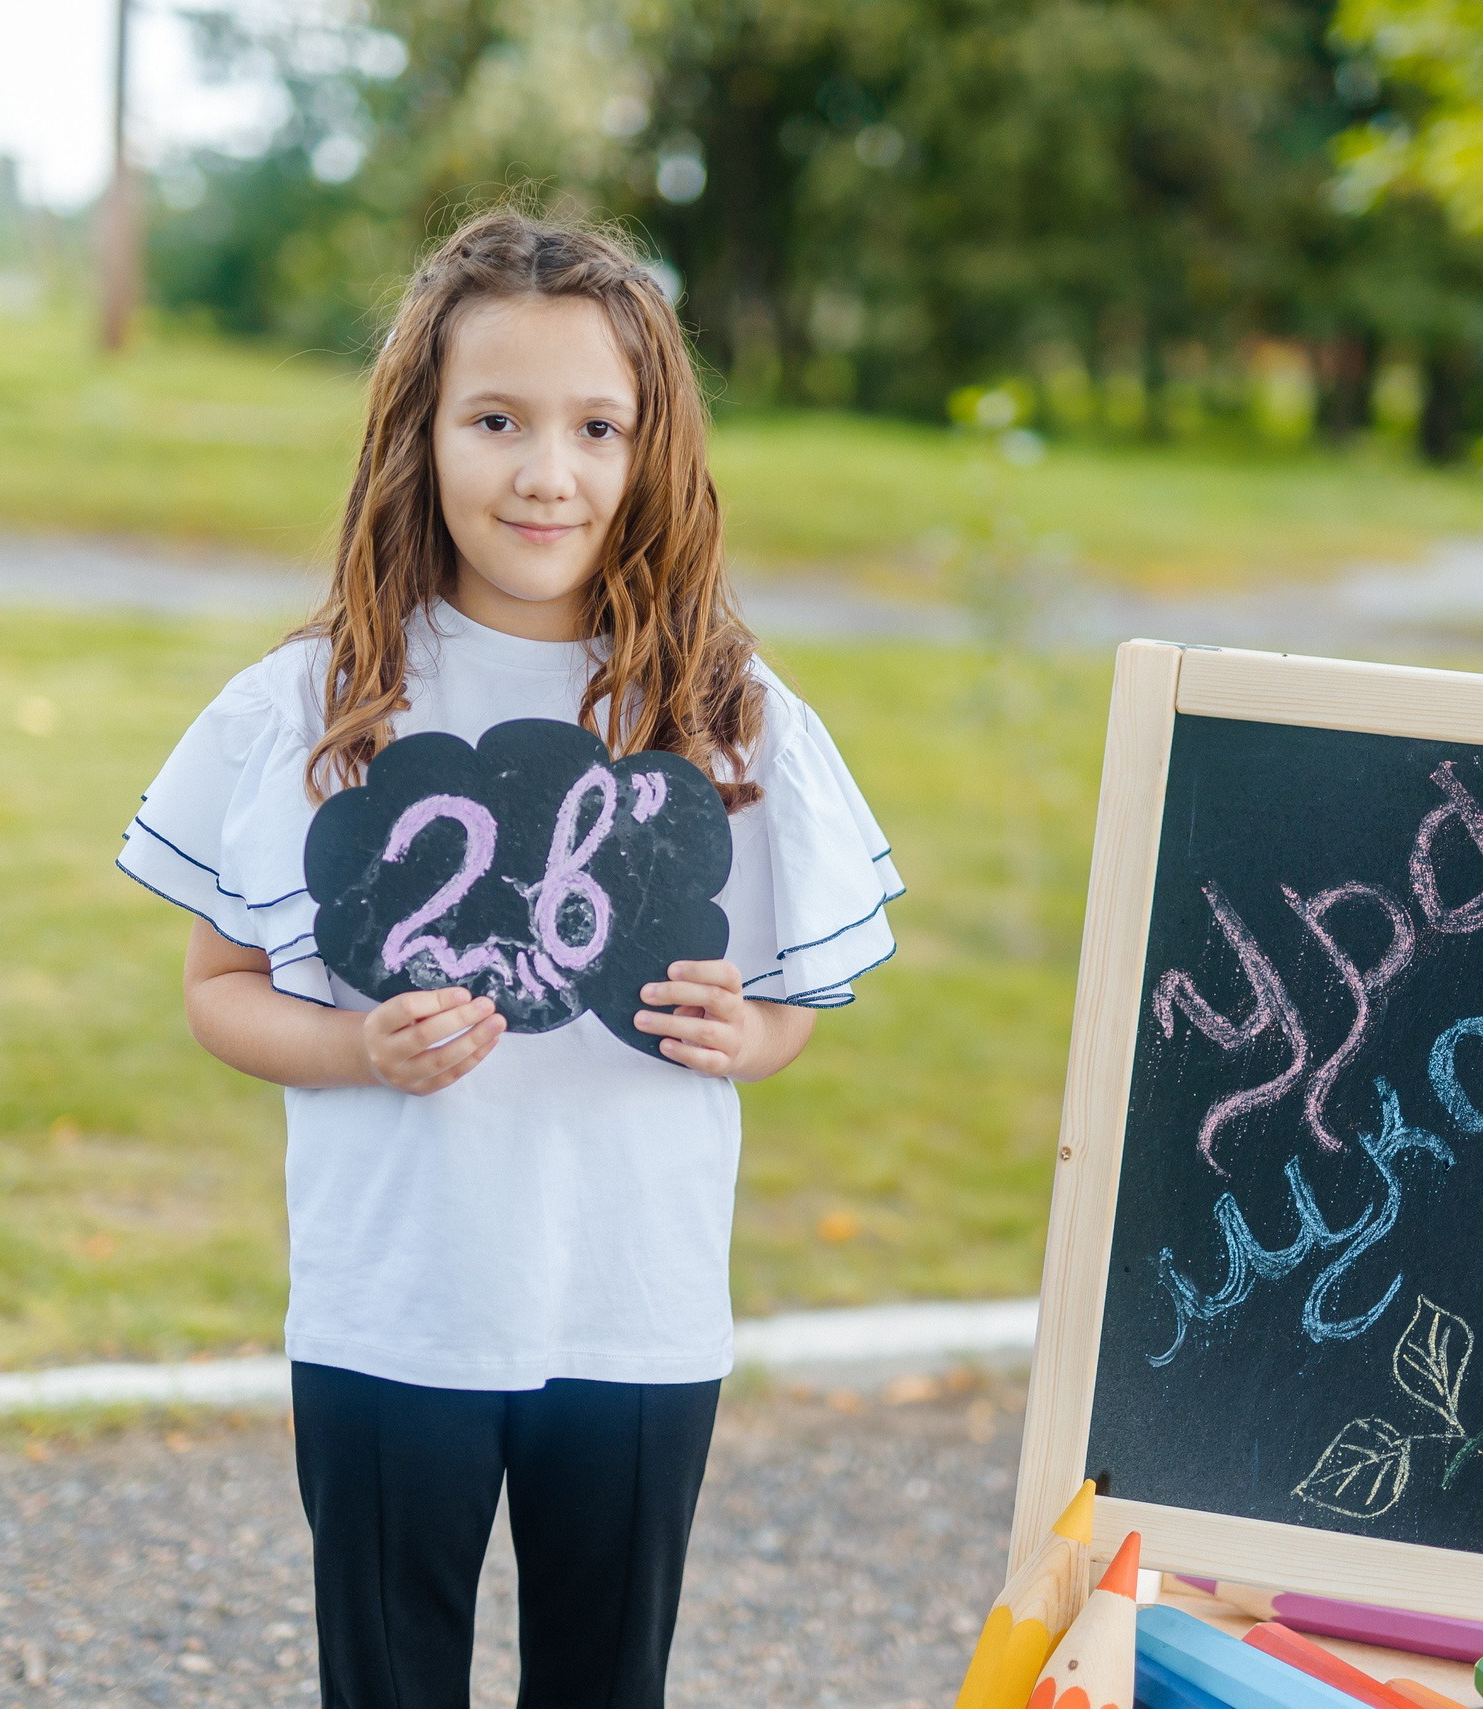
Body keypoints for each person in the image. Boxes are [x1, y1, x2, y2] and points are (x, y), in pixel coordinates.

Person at [116, 208, 900, 1708]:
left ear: (650, 447)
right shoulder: (315, 702)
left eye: (596, 425)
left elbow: (790, 1002)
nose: (549, 471)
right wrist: (355, 1048)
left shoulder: (728, 715)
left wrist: (755, 1033)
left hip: (637, 1306)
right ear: (418, 434)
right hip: (391, 1305)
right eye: (497, 419)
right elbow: (219, 992)